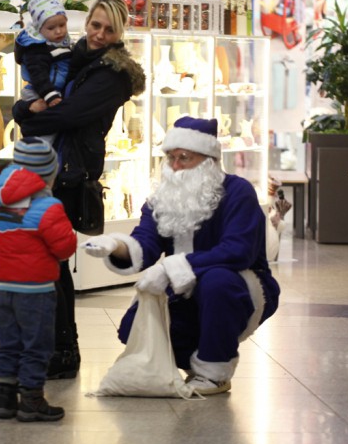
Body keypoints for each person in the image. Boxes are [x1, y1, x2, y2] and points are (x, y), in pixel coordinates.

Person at [80, 116, 280, 395]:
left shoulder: (238, 191)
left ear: (208, 159)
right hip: (183, 288)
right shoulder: (164, 196)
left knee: (217, 282)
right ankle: (194, 357)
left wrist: (173, 267)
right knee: (131, 329)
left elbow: (238, 252)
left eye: (184, 158)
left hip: (241, 286)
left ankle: (214, 371)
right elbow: (146, 243)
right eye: (170, 158)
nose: (175, 167)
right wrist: (115, 245)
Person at [12, 0, 146, 379]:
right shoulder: (72, 57)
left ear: (120, 33)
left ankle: (64, 350)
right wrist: (27, 109)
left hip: (69, 176)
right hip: (52, 169)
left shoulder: (112, 75)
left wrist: (24, 115)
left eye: (108, 29)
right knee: (46, 261)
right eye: (95, 25)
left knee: (52, 263)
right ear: (85, 22)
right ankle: (52, 347)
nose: (99, 34)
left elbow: (66, 115)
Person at [0, 137, 78, 421]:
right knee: (36, 345)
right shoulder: (48, 208)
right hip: (36, 289)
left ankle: (4, 396)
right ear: (49, 173)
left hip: (5, 288)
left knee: (9, 342)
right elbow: (65, 247)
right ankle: (31, 400)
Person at [15, 0, 71, 113]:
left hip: (53, 92)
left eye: (62, 25)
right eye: (51, 28)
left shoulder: (61, 42)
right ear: (39, 29)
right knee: (46, 129)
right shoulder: (36, 48)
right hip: (39, 93)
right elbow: (38, 73)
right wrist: (49, 94)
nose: (58, 31)